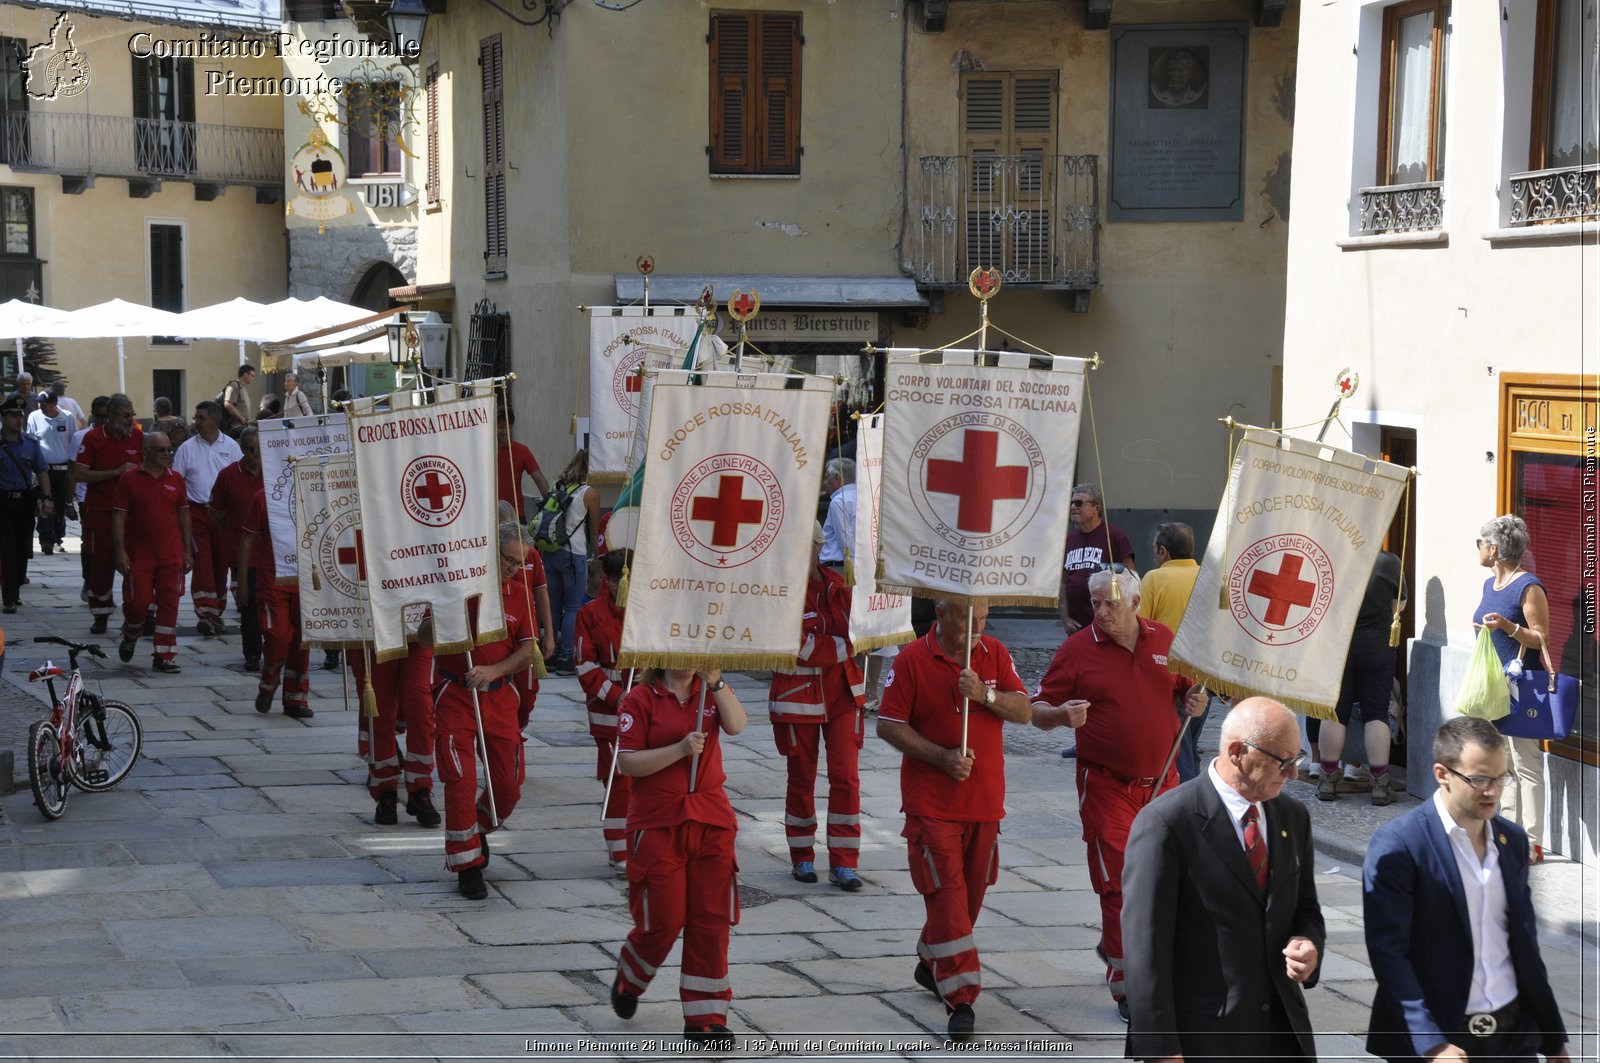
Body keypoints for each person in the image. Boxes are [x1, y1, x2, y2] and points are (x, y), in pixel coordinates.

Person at [1030, 566, 1207, 1020]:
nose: (1101, 612)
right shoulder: (1076, 650)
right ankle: (1129, 987)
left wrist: (1196, 701)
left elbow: (1193, 691)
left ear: (1135, 604)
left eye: (1110, 603)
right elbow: (1036, 709)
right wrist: (1059, 716)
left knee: (1166, 881)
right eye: (1094, 603)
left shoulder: (1164, 639)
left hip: (1164, 783)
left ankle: (1143, 954)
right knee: (1118, 886)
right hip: (1107, 784)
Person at [1123, 697, 1325, 1061]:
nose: (1294, 774)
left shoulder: (1292, 817)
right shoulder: (1167, 823)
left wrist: (1308, 945)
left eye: (1296, 759)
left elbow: (1306, 908)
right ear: (1237, 752)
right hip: (1205, 1038)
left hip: (1280, 1033)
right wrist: (1160, 1049)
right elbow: (1145, 950)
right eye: (1283, 761)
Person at [1363, 716, 1569, 1063]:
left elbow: (1525, 945)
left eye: (1500, 778)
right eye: (1478, 779)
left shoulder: (1512, 841)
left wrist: (1553, 1039)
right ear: (1442, 774)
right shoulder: (1400, 844)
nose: (1492, 791)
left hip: (1512, 1035)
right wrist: (1430, 1042)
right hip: (1443, 1038)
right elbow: (1389, 953)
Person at [876, 598, 1032, 1038]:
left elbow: (1024, 710)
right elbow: (888, 724)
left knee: (969, 900)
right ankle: (962, 997)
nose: (978, 630)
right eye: (969, 620)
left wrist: (985, 693)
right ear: (942, 615)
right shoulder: (911, 660)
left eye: (984, 620)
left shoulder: (995, 654)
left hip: (985, 803)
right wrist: (941, 757)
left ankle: (932, 959)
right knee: (946, 894)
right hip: (932, 806)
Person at [609, 663, 749, 1049]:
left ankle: (706, 1019)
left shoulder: (711, 690)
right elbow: (628, 762)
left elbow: (737, 725)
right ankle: (632, 972)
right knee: (664, 920)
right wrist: (680, 749)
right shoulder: (640, 699)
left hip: (711, 818)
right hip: (657, 821)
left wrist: (717, 680)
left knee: (711, 919)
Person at [428, 522, 540, 899]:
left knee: (507, 787)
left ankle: (477, 830)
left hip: (499, 696)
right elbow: (421, 636)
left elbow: (528, 650)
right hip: (456, 694)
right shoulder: (456, 587)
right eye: (508, 560)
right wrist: (444, 618)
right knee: (459, 778)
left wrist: (494, 670)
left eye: (520, 563)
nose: (513, 568)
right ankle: (466, 865)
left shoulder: (520, 594)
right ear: (491, 552)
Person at [770, 521, 867, 890]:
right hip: (799, 701)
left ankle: (844, 862)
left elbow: (858, 627)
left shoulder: (836, 584)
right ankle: (802, 856)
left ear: (817, 546)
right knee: (802, 779)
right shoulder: (779, 592)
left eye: (807, 545)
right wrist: (849, 645)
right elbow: (803, 647)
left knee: (846, 777)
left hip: (843, 694)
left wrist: (854, 637)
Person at [1473, 515, 1552, 863]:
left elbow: (1541, 638)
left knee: (1526, 765)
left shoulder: (1528, 586)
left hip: (1522, 688)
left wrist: (1507, 626)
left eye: (1481, 542)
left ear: (1494, 549)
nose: (1478, 548)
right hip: (1493, 688)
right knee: (1501, 764)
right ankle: (1507, 833)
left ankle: (1533, 842)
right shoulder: (1490, 585)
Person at [1318, 550, 1405, 805]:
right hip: (1377, 645)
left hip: (1339, 645)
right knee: (1376, 713)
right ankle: (1380, 784)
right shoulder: (1388, 561)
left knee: (1334, 712)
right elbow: (1399, 604)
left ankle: (1327, 779)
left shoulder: (1333, 555)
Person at [111, 432, 192, 673]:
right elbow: (119, 516)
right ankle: (130, 633)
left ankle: (164, 655)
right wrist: (120, 551)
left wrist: (188, 550)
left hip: (171, 554)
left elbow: (184, 515)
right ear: (146, 451)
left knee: (169, 603)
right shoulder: (129, 479)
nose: (167, 454)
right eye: (161, 450)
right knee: (137, 603)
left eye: (169, 449)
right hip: (139, 554)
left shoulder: (176, 479)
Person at [575, 549, 632, 875]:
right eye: (617, 580)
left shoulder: (648, 611)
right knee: (618, 780)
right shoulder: (590, 613)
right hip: (608, 711)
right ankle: (618, 845)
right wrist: (617, 695)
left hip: (647, 707)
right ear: (607, 580)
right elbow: (584, 664)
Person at [1136, 522, 1208, 781]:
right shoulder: (1206, 576)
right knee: (1191, 738)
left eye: (1155, 550)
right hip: (1202, 672)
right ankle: (1197, 792)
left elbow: (1140, 626)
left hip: (1168, 673)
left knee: (1180, 746)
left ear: (1163, 551)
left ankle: (1188, 800)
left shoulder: (1155, 578)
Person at [238, 487, 313, 719]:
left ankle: (295, 698)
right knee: (278, 636)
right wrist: (241, 583)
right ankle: (268, 682)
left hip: (307, 581)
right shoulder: (264, 496)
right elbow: (247, 539)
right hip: (273, 581)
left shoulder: (315, 492)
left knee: (302, 641)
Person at [71, 394, 143, 633]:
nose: (130, 420)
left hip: (132, 513)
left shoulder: (138, 437)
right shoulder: (92, 439)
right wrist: (115, 472)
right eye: (126, 416)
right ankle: (100, 613)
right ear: (111, 417)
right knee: (100, 562)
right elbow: (79, 474)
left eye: (132, 415)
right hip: (101, 511)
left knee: (135, 561)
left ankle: (140, 612)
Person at [172, 400, 242, 637]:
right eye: (196, 417)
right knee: (202, 562)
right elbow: (176, 482)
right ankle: (206, 613)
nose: (196, 422)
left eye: (201, 418)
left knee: (221, 563)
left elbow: (239, 477)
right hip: (196, 513)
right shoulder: (186, 448)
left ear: (215, 420)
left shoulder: (232, 447)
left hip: (223, 514)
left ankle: (217, 611)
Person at [351, 641, 439, 829]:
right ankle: (385, 792)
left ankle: (420, 788)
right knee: (379, 713)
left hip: (416, 633)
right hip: (377, 634)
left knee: (421, 708)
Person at [537, 448, 598, 673]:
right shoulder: (589, 493)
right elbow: (594, 529)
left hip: (550, 552)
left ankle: (548, 654)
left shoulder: (556, 486)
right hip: (574, 554)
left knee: (553, 605)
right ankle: (566, 658)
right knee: (572, 607)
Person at [210, 428, 263, 671]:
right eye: (251, 450)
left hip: (274, 553)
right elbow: (216, 511)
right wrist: (235, 533)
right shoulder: (228, 475)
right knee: (248, 604)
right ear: (242, 449)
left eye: (260, 449)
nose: (257, 455)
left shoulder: (275, 472)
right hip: (245, 553)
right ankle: (252, 654)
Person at [1058, 482, 1136, 634]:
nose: (1073, 507)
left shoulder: (1114, 536)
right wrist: (1065, 618)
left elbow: (1132, 578)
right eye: (1071, 502)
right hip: (1076, 626)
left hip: (1107, 624)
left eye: (1079, 503)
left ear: (1096, 508)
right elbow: (1062, 582)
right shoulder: (1069, 539)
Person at [0, 396, 51, 613]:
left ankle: (17, 584)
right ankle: (9, 598)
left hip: (24, 503)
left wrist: (47, 498)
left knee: (22, 549)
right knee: (7, 550)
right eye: (13, 415)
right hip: (2, 503)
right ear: (3, 418)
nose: (18, 420)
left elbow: (41, 470)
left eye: (20, 415)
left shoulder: (30, 444)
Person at [26, 390, 74, 556]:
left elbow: (73, 441)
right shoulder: (34, 416)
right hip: (43, 470)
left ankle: (58, 539)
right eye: (40, 403)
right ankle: (46, 539)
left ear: (54, 404)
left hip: (63, 470)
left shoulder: (68, 417)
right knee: (44, 504)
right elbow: (31, 440)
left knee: (60, 506)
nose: (41, 406)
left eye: (44, 404)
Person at [495, 407, 549, 519]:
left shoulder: (522, 451)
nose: (505, 431)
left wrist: (551, 505)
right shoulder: (486, 452)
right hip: (491, 515)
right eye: (501, 427)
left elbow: (539, 479)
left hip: (515, 515)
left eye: (508, 427)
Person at [819, 457, 856, 569]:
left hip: (841, 567)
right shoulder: (862, 496)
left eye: (826, 478)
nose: (825, 483)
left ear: (837, 478)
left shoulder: (839, 501)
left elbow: (845, 539)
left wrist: (853, 568)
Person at [218, 363, 257, 437]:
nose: (253, 378)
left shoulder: (242, 388)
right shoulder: (234, 386)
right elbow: (228, 404)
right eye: (252, 375)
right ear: (245, 374)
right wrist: (241, 418)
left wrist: (248, 421)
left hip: (241, 426)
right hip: (234, 427)